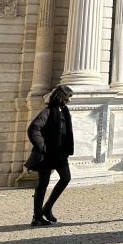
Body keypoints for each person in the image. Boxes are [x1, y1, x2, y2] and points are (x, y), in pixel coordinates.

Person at [27, 85, 74, 226]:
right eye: (69, 97)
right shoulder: (47, 112)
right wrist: (42, 146)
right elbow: (34, 128)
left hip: (60, 154)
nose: (70, 100)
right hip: (48, 154)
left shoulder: (64, 112)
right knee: (42, 184)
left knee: (66, 178)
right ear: (62, 97)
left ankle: (47, 208)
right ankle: (37, 216)